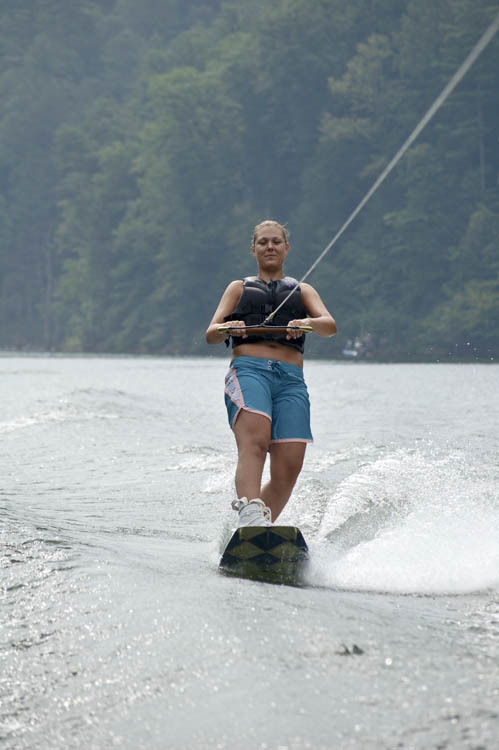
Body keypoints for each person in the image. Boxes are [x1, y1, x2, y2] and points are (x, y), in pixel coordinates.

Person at [206, 220, 336, 527]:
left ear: (286, 248)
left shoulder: (302, 291)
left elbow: (329, 326)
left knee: (289, 465)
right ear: (253, 249)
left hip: (290, 379)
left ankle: (259, 530)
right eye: (263, 242)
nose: (270, 247)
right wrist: (229, 326)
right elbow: (212, 333)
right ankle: (250, 515)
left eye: (276, 242)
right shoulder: (237, 289)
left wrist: (308, 323)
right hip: (250, 371)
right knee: (257, 441)